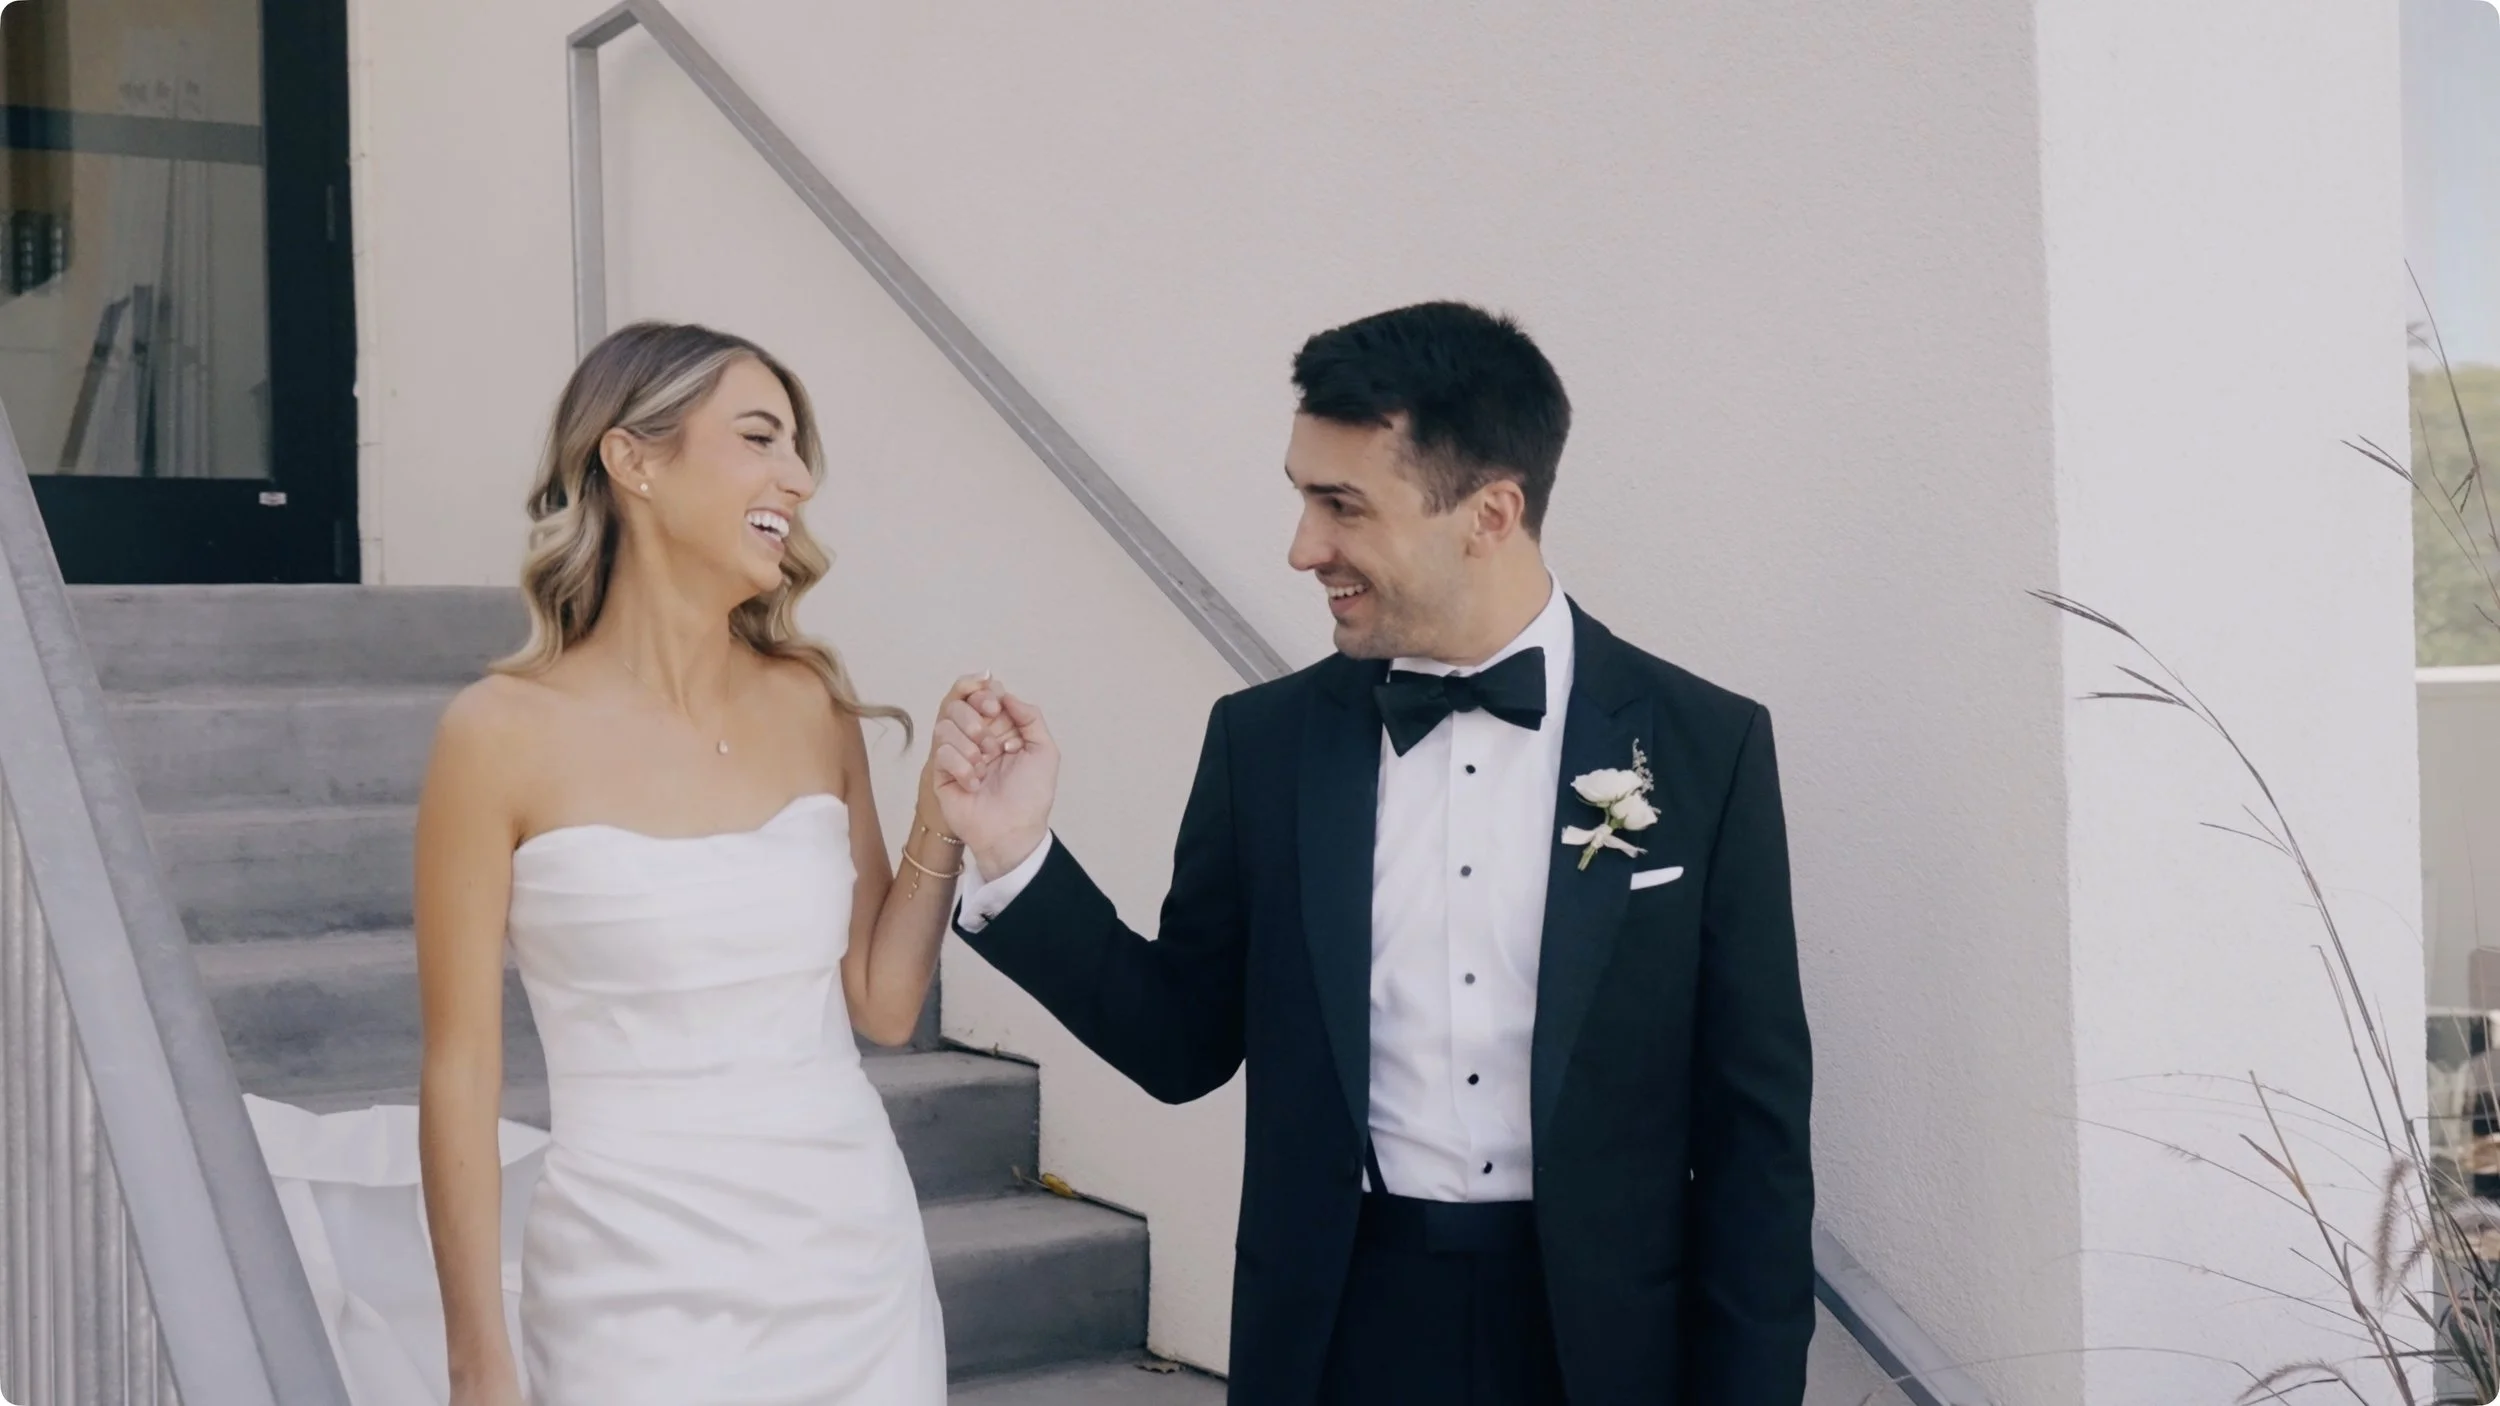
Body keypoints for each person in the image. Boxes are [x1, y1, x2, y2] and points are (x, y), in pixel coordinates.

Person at [931, 301, 1816, 1405]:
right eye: (1303, 496)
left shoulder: (1705, 747)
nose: (1303, 548)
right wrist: (1017, 853)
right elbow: (1179, 1042)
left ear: (1491, 513)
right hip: (1341, 1334)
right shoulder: (1264, 745)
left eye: (1341, 505)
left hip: (1608, 1349)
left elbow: (1753, 1143)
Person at [408, 321, 991, 1404]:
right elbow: (461, 1070)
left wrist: (940, 824)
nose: (799, 480)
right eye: (761, 439)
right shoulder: (496, 734)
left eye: (798, 450)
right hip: (627, 1276)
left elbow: (884, 1003)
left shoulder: (810, 704)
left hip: (851, 1259)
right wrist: (476, 1359)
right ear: (633, 460)